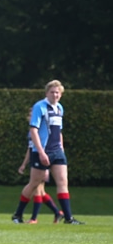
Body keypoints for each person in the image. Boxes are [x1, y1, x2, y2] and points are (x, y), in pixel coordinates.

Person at [11, 80, 83, 225]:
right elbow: (33, 130)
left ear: (61, 94)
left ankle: (68, 218)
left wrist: (61, 148)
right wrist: (41, 152)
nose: (55, 95)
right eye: (52, 92)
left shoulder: (60, 108)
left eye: (58, 92)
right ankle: (17, 215)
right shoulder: (40, 106)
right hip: (41, 152)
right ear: (46, 93)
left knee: (63, 182)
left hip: (57, 151)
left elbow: (59, 131)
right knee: (34, 183)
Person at [16, 144, 63, 224]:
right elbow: (30, 148)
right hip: (37, 162)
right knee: (41, 192)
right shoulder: (35, 134)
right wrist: (24, 164)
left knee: (37, 190)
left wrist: (24, 164)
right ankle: (57, 213)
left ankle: (34, 218)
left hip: (41, 163)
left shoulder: (39, 134)